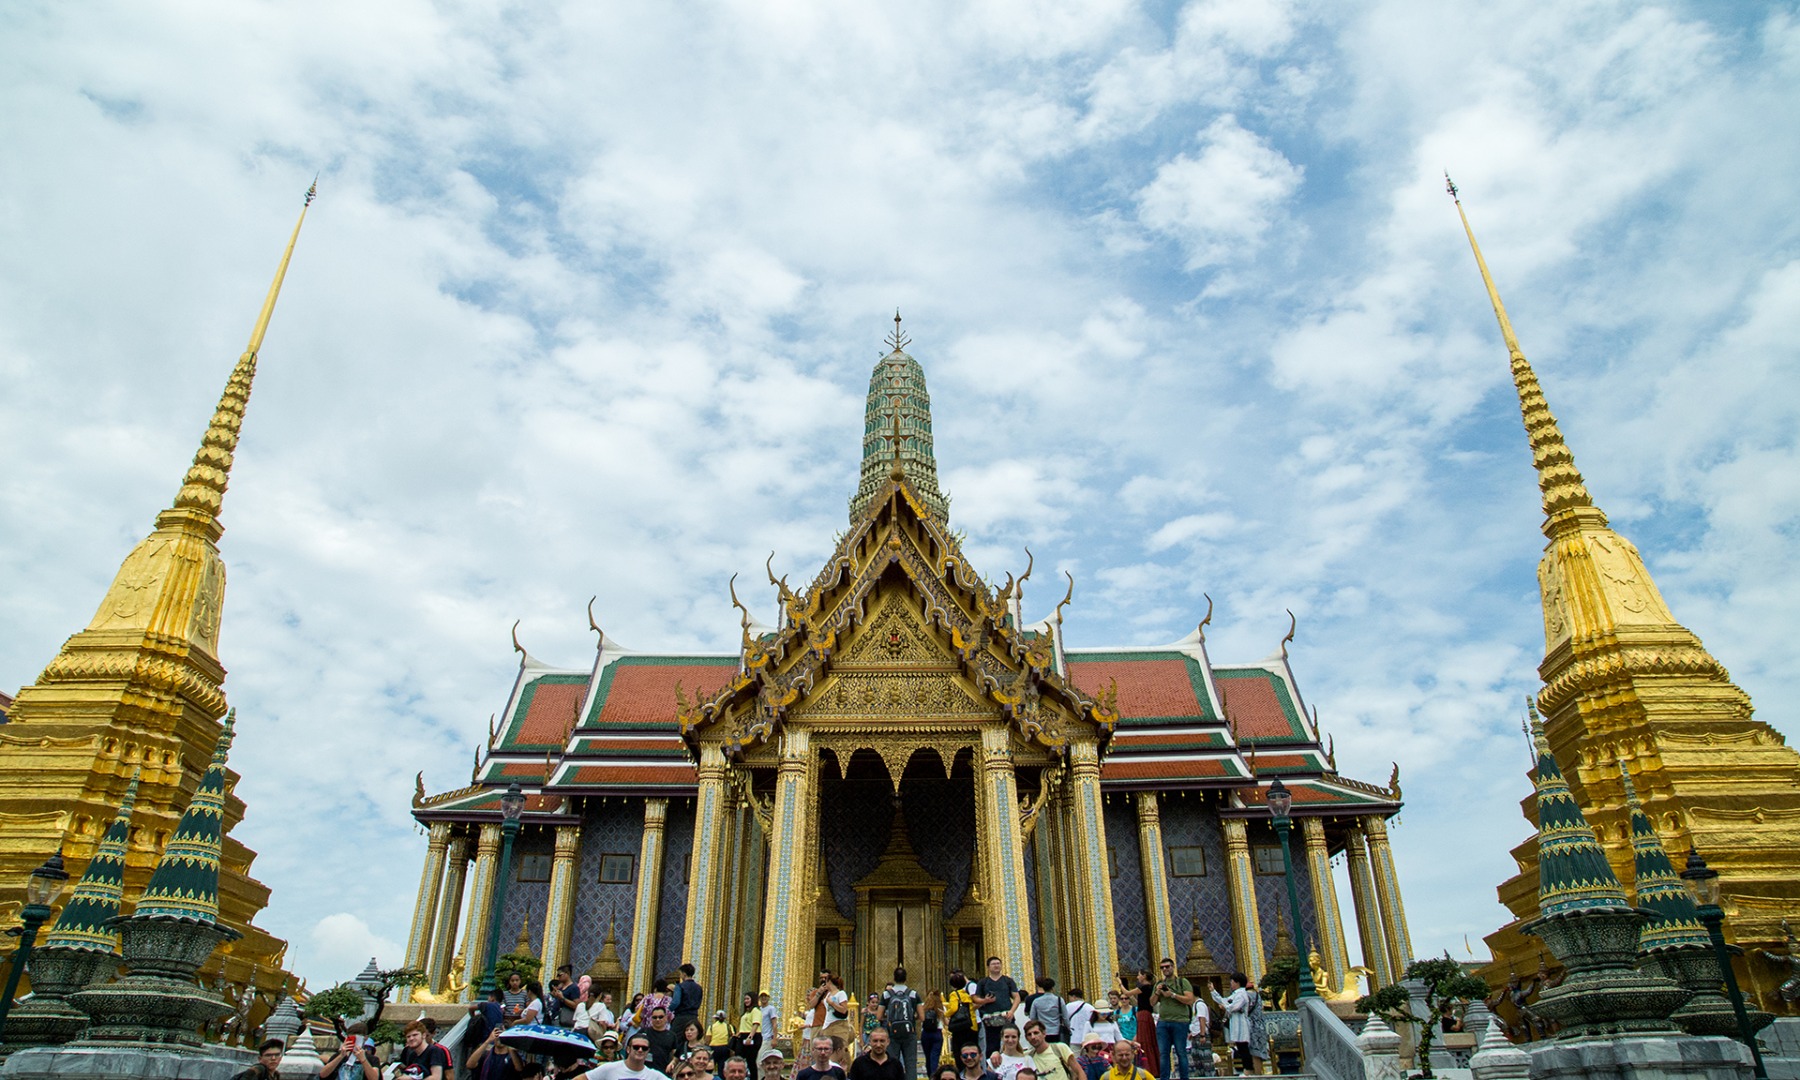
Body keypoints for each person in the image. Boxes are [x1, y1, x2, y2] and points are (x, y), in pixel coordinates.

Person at [1149, 959, 1194, 1080]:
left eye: (1167, 966)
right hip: (1163, 1022)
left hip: (1180, 1021)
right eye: (1162, 967)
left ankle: (1184, 1077)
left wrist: (1173, 995)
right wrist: (1157, 992)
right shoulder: (1159, 983)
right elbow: (1152, 1003)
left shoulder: (1182, 982)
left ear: (1173, 967)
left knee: (1181, 1052)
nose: (1165, 969)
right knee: (1163, 1053)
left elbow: (1189, 1000)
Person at [879, 966, 923, 1080]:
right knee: (911, 1063)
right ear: (906, 978)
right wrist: (911, 1018)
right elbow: (922, 1016)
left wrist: (890, 1017)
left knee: (892, 1063)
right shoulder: (913, 994)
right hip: (909, 1033)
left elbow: (879, 1016)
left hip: (892, 1033)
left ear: (894, 978)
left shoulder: (886, 995)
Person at [973, 957, 1020, 1057]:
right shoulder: (983, 982)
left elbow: (1016, 997)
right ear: (988, 967)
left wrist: (1012, 1011)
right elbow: (976, 998)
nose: (996, 966)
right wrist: (985, 1001)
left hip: (1006, 1016)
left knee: (1010, 1042)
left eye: (998, 963)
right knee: (991, 1045)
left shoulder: (1008, 981)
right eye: (993, 964)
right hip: (989, 1019)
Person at [582, 1031, 675, 1080]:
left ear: (648, 1051)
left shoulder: (654, 1075)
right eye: (636, 1047)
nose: (640, 1050)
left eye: (644, 1048)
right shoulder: (609, 1068)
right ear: (628, 1049)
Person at [1208, 975, 1251, 1077]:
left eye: (1232, 981)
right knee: (1240, 1046)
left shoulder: (1242, 994)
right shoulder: (1235, 994)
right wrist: (1213, 991)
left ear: (1237, 982)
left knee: (1244, 1047)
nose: (1231, 984)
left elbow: (1234, 1006)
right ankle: (1246, 1070)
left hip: (1241, 1023)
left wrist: (1225, 1007)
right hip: (1235, 1023)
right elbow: (1224, 1001)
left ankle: (1248, 1070)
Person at [1118, 972, 1156, 1080]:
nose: (1137, 977)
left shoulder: (1144, 987)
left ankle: (1148, 1067)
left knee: (1144, 1041)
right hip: (1146, 1015)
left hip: (1144, 1015)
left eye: (1139, 975)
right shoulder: (1150, 988)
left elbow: (1127, 993)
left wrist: (1120, 983)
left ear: (1144, 976)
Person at [945, 970, 978, 1059]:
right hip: (971, 1024)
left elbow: (954, 1008)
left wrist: (946, 1014)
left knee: (959, 1049)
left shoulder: (954, 994)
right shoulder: (967, 994)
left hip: (960, 1026)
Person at [644, 1006, 681, 1073]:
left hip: (663, 1071)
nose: (658, 1019)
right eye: (655, 1017)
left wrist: (672, 1063)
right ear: (651, 1019)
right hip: (644, 1071)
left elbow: (675, 1055)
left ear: (666, 1018)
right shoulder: (644, 1032)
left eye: (660, 1017)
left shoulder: (672, 1036)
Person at [1026, 980, 1063, 1044]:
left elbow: (1032, 1017)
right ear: (1052, 988)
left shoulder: (1036, 1001)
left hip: (1042, 1030)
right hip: (1056, 1030)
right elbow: (1065, 1016)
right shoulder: (1059, 1000)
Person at [673, 963, 706, 1037]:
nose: (680, 976)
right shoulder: (698, 988)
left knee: (675, 1038)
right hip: (693, 1017)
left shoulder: (679, 986)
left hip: (681, 1017)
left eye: (680, 974)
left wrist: (668, 1009)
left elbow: (676, 1002)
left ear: (684, 974)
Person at [1243, 982, 1266, 1079]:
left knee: (1253, 1052)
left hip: (1252, 1026)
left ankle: (1256, 1075)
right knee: (1258, 1052)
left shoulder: (1247, 995)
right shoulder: (1258, 995)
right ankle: (1258, 1073)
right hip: (1260, 1026)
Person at [733, 992, 764, 1062]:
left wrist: (750, 1037)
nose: (746, 1001)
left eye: (747, 999)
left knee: (751, 1060)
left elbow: (755, 1024)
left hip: (752, 1036)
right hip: (743, 1035)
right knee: (738, 1057)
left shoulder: (755, 1011)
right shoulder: (747, 1012)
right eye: (745, 999)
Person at [920, 989, 944, 1074]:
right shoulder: (940, 1007)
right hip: (937, 1033)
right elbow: (946, 1022)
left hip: (925, 1033)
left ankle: (930, 1074)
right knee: (935, 1057)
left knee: (928, 1057)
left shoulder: (923, 1007)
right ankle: (934, 1075)